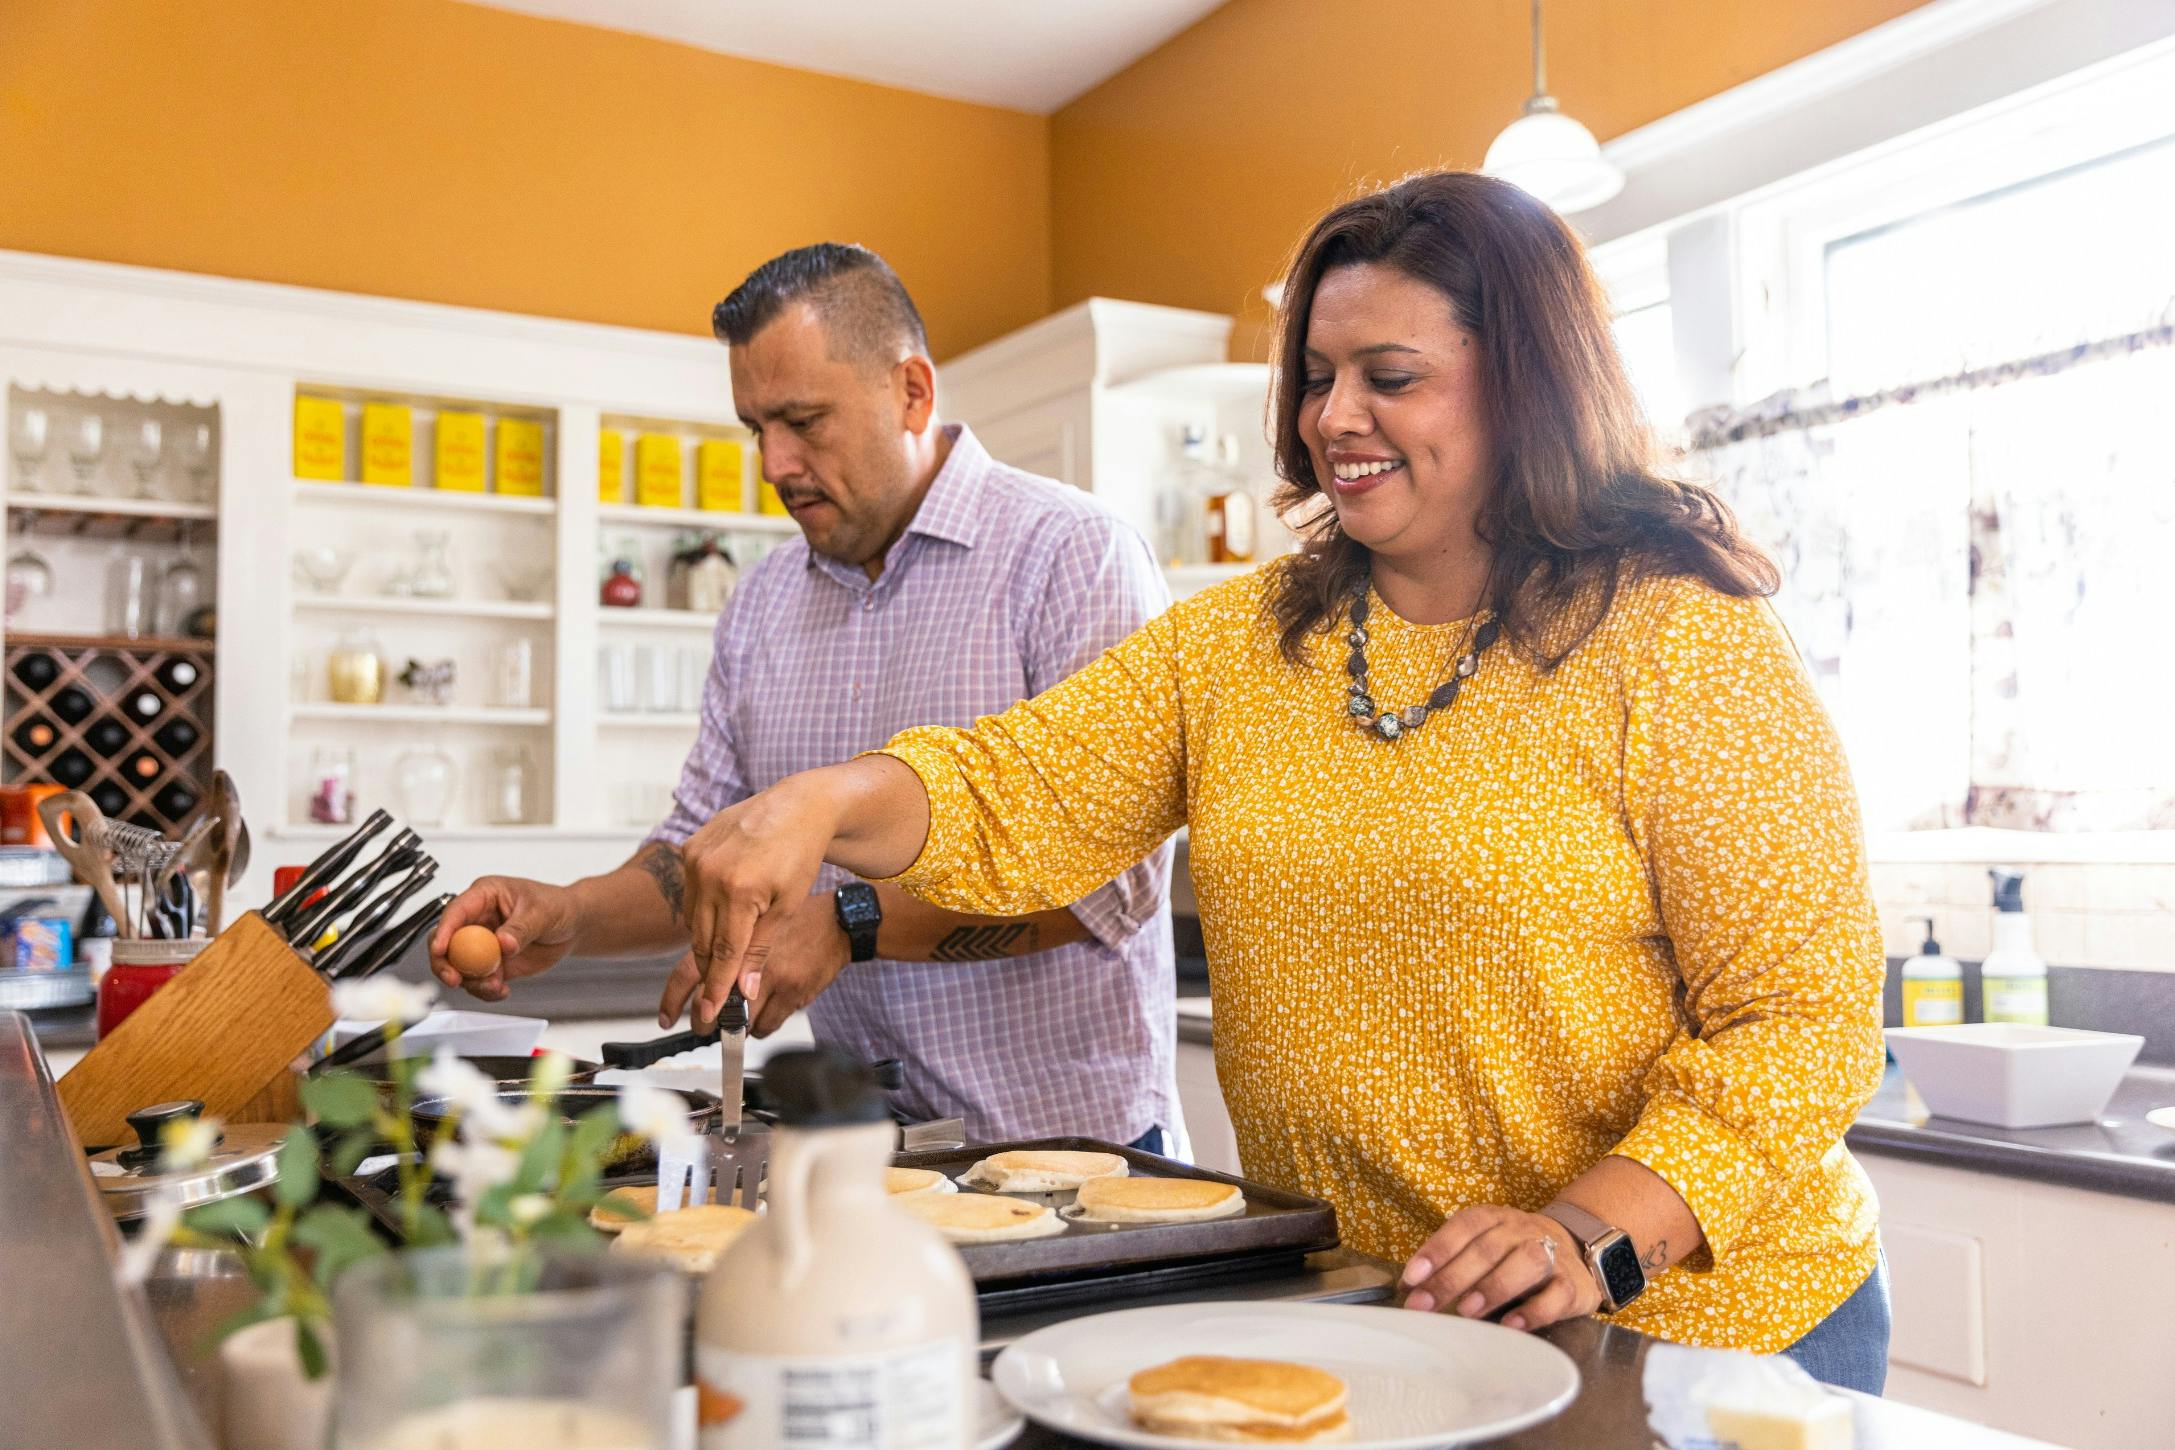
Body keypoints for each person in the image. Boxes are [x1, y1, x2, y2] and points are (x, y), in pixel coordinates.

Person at [655, 175, 1891, 1391]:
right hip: (1393, 1309)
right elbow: (1016, 786)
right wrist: (817, 803)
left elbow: (1801, 1020)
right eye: (1315, 377)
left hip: (1697, 1328)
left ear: (1527, 384)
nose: (1332, 417)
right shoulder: (1239, 643)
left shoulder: (1677, 633)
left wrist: (1589, 1231)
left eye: (1388, 377)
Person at [429, 242, 1180, 1150]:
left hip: (1072, 1152)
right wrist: (573, 913)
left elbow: (1110, 885)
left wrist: (849, 923)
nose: (774, 463)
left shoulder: (1071, 555)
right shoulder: (761, 600)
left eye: (803, 420)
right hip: (860, 1145)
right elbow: (703, 847)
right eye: (755, 427)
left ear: (912, 390)